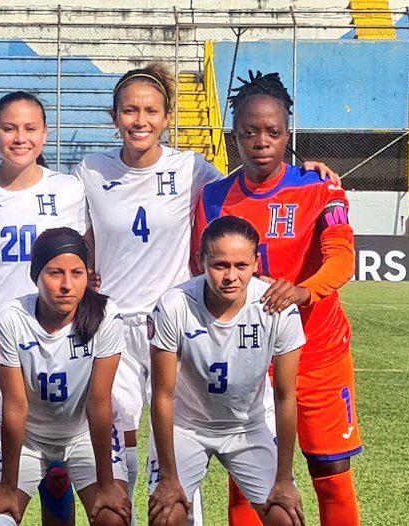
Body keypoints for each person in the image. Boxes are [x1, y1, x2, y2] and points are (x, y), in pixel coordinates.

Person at [72, 64, 337, 515]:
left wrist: (305, 171)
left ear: (168, 116)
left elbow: (252, 184)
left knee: (179, 440)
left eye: (151, 111)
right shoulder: (90, 170)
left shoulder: (193, 168)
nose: (140, 120)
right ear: (113, 116)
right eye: (130, 111)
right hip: (113, 325)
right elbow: (75, 232)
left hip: (177, 325)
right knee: (122, 441)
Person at [193, 71, 361, 526]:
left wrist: (305, 290)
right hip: (250, 357)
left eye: (272, 131)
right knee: (248, 479)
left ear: (288, 134)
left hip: (318, 354)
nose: (261, 141)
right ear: (235, 136)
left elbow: (343, 257)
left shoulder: (321, 187)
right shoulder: (213, 197)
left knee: (330, 473)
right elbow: (199, 268)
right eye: (249, 132)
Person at [0, 91, 89, 524]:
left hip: (54, 342)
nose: (19, 138)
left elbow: (86, 262)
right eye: (9, 128)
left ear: (45, 134)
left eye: (30, 129)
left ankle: (55, 490)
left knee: (52, 444)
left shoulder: (68, 191)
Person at [148, 216, 304, 526]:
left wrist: (284, 479)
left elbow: (286, 396)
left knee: (285, 517)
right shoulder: (173, 306)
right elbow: (162, 395)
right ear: (200, 261)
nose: (231, 276)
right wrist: (168, 477)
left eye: (241, 266)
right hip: (187, 427)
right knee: (167, 517)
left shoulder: (278, 308)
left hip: (250, 426)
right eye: (220, 265)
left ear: (256, 262)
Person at [0, 227, 129, 526]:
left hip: (83, 434)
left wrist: (107, 484)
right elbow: (15, 405)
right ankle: (50, 488)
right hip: (27, 439)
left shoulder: (106, 316)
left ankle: (60, 489)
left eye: (77, 272)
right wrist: (8, 487)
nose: (67, 285)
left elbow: (98, 404)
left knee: (113, 518)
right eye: (55, 273)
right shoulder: (9, 319)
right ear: (36, 275)